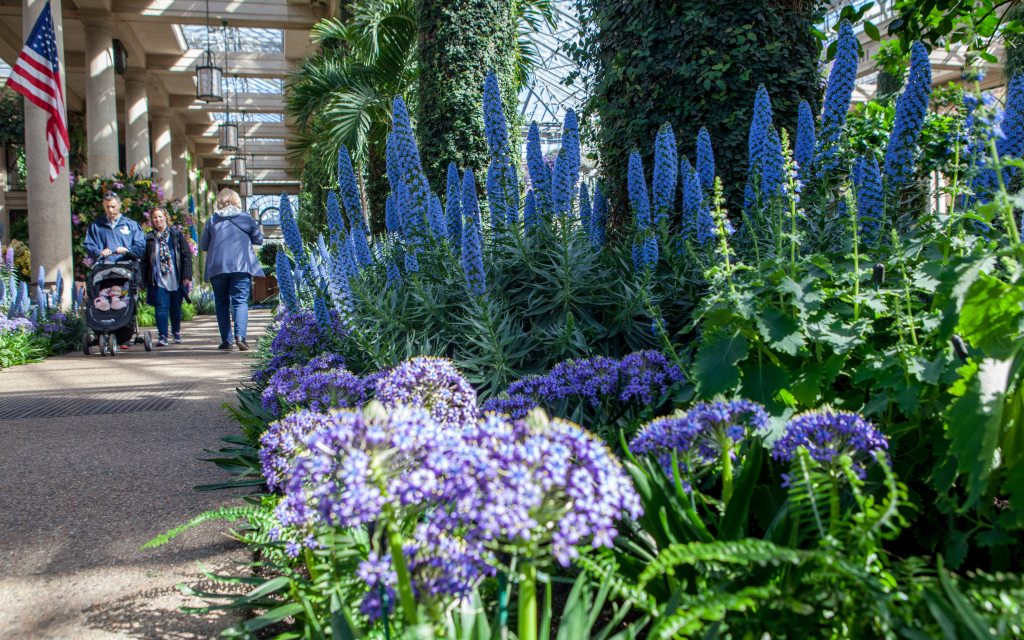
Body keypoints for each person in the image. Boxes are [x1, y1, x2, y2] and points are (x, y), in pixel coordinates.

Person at [200, 188, 264, 351]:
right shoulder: (246, 218)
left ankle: (226, 340)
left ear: (220, 202)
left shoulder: (212, 220)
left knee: (221, 303)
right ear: (236, 201)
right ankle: (240, 337)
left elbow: (203, 245)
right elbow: (259, 239)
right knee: (240, 301)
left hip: (218, 267)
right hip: (241, 266)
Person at [143, 207, 193, 346]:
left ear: (165, 217)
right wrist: (142, 280)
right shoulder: (149, 238)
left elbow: (186, 256)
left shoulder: (176, 235)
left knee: (175, 307)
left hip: (176, 278)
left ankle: (176, 332)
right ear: (152, 220)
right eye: (155, 217)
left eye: (160, 216)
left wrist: (187, 275)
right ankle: (163, 336)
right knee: (161, 307)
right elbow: (144, 260)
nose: (158, 219)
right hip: (158, 279)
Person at [83, 192, 146, 263]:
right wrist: (99, 253)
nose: (110, 210)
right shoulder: (96, 225)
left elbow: (141, 247)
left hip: (127, 267)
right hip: (103, 267)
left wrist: (128, 250)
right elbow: (89, 245)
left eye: (113, 207)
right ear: (103, 205)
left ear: (120, 205)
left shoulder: (131, 225)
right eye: (107, 207)